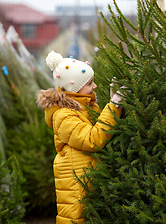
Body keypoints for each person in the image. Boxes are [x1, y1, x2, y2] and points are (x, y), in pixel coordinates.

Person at [37, 51, 123, 224]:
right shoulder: (64, 116)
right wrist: (114, 105)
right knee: (75, 219)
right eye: (90, 83)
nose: (95, 86)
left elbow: (100, 124)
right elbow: (93, 139)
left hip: (87, 179)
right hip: (76, 184)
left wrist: (114, 101)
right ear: (75, 89)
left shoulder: (83, 107)